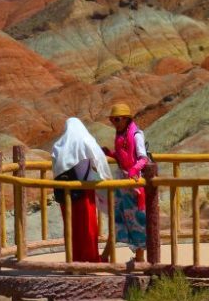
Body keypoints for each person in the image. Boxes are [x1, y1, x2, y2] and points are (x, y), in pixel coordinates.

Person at [51, 117, 112, 262]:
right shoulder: (85, 140)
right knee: (88, 227)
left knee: (71, 227)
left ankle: (73, 259)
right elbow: (99, 160)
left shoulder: (59, 146)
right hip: (85, 190)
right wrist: (107, 178)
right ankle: (90, 259)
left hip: (65, 192)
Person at [102, 103, 149, 262]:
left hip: (134, 184)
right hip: (122, 182)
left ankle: (140, 257)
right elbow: (123, 157)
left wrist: (134, 170)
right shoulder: (120, 134)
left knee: (137, 219)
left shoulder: (136, 135)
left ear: (126, 119)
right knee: (118, 217)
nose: (114, 123)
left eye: (117, 119)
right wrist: (110, 154)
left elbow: (143, 158)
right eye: (112, 120)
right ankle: (105, 255)